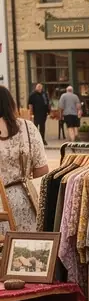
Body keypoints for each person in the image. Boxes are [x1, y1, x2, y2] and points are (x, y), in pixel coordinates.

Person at [0, 86, 48, 232]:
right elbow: (42, 171)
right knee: (24, 251)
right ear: (11, 104)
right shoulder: (28, 128)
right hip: (25, 201)